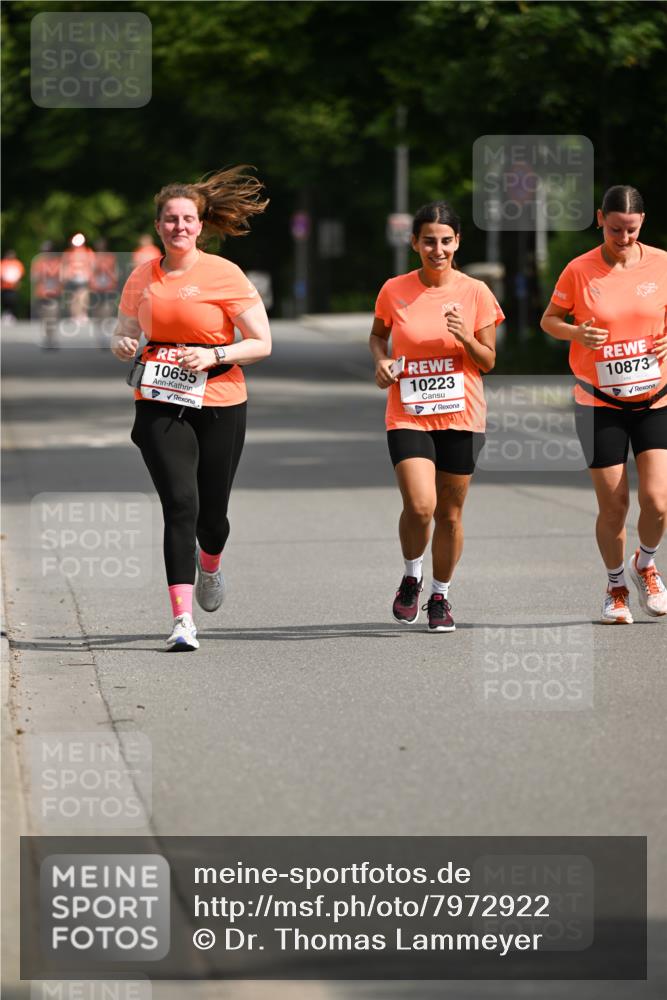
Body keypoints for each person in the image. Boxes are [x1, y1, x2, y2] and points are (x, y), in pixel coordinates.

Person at [111, 166, 271, 651]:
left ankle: (212, 561)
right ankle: (182, 621)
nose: (179, 227)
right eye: (169, 219)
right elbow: (124, 330)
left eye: (187, 219)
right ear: (158, 226)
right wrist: (122, 342)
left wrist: (213, 354)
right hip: (159, 398)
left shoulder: (225, 275)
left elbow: (261, 342)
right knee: (180, 504)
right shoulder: (143, 276)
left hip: (220, 398)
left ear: (201, 225)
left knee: (212, 516)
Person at [369, 201, 504, 632]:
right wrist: (381, 361)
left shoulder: (476, 292)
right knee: (421, 505)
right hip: (408, 412)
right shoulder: (395, 289)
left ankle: (441, 595)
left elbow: (487, 361)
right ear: (415, 243)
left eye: (446, 241)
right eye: (429, 240)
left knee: (449, 514)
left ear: (457, 242)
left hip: (462, 414)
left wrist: (465, 335)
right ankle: (412, 576)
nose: (438, 249)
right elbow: (378, 336)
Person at [541, 184, 667, 623]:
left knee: (658, 500)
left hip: (655, 398)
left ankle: (645, 564)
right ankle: (615, 586)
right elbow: (550, 320)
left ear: (642, 224)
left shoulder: (662, 263)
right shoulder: (580, 270)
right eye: (615, 229)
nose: (623, 238)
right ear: (600, 219)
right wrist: (577, 333)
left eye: (631, 230)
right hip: (598, 402)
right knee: (614, 506)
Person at [31, 240, 62, 348]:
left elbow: (63, 277)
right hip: (42, 294)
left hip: (54, 294)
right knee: (44, 317)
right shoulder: (38, 263)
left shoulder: (58, 263)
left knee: (53, 316)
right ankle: (47, 338)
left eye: (48, 251)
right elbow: (34, 278)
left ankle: (52, 338)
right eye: (44, 251)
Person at [61, 233, 95, 320]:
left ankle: (82, 313)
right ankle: (74, 315)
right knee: (73, 297)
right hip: (71, 277)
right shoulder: (68, 253)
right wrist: (63, 277)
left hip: (83, 277)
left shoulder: (88, 252)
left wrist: (91, 276)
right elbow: (64, 265)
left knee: (83, 295)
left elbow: (92, 265)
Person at [1, 249, 25, 321]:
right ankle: (6, 314)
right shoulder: (3, 263)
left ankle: (11, 314)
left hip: (13, 287)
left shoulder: (17, 263)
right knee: (5, 300)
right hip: (4, 286)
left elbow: (20, 273)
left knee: (13, 301)